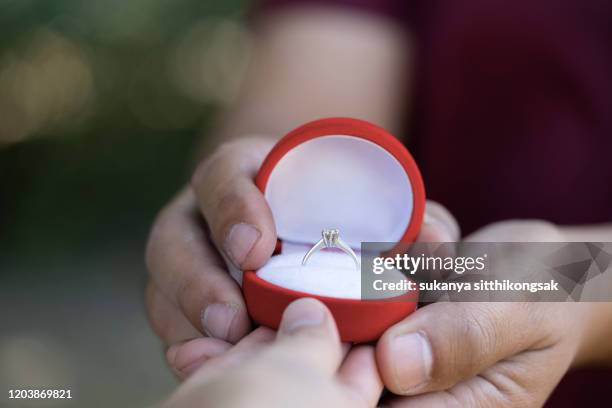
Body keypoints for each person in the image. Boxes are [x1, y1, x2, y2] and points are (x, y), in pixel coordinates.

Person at [146, 1, 612, 406]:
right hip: (413, 270)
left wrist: (576, 283)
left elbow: (579, 280)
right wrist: (242, 185)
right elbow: (307, 88)